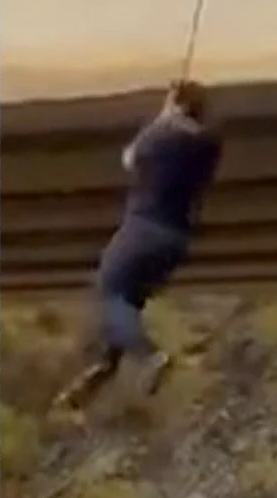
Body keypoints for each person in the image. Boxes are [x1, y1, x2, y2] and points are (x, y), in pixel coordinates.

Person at [53, 79, 223, 411]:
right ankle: (107, 363)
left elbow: (129, 158)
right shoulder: (209, 144)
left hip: (145, 230)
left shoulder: (160, 135)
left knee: (108, 295)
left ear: (175, 102)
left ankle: (150, 356)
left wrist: (162, 118)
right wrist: (174, 113)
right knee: (126, 300)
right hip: (176, 239)